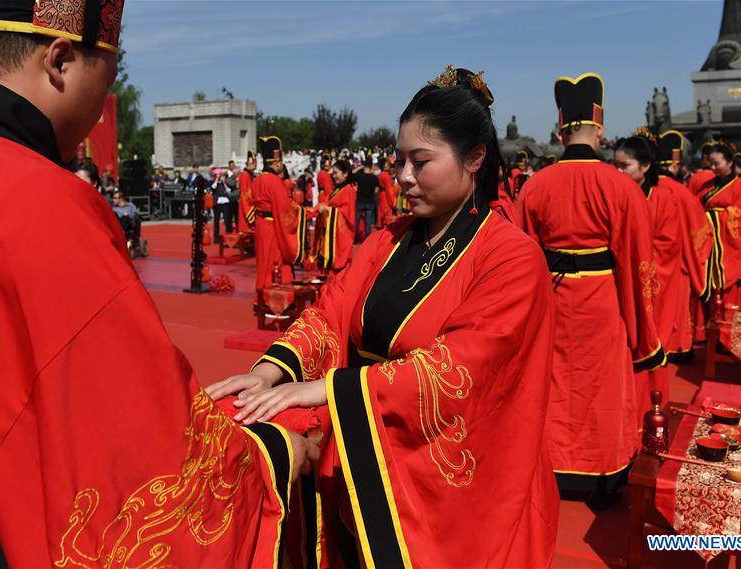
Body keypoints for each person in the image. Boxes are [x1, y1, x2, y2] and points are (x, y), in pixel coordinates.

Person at [0, 2, 315, 566]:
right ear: (60, 60)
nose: (104, 102)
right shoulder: (41, 205)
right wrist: (270, 455)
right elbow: (138, 448)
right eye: (110, 72)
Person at [207, 65, 559, 568]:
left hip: (447, 472)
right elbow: (330, 314)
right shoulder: (389, 239)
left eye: (421, 161)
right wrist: (268, 372)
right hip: (367, 434)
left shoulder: (509, 257)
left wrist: (333, 389)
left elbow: (462, 366)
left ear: (475, 157)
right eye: (399, 162)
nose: (404, 178)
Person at [515, 73, 664, 503]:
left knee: (556, 384)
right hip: (601, 301)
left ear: (561, 128)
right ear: (599, 127)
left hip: (552, 300)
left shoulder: (534, 185)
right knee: (599, 387)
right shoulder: (621, 187)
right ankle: (603, 473)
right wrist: (644, 337)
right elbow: (639, 264)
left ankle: (551, 468)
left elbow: (522, 261)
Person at [614, 130, 680, 407]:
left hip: (650, 280)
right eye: (615, 165)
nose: (618, 171)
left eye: (624, 166)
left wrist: (636, 254)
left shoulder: (662, 198)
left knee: (648, 338)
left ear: (645, 165)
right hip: (620, 279)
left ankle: (650, 413)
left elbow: (668, 245)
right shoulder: (616, 194)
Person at [655, 130, 712, 362]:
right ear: (676, 165)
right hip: (676, 260)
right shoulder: (682, 192)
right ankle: (676, 346)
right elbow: (699, 231)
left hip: (648, 259)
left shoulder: (640, 189)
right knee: (674, 307)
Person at [696, 143, 741, 306]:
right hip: (706, 242)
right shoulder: (708, 185)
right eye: (711, 163)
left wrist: (711, 217)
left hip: (727, 244)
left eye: (717, 163)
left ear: (730, 163)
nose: (713, 167)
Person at [251, 136, 307, 305]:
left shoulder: (258, 180)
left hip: (260, 225)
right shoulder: (275, 182)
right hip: (272, 227)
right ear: (276, 162)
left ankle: (259, 298)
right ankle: (273, 300)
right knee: (274, 262)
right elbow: (285, 210)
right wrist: (303, 212)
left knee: (262, 262)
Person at [315, 160, 357, 272]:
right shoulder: (338, 188)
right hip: (334, 231)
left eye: (336, 173)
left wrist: (328, 209)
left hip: (342, 232)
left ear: (345, 173)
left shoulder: (348, 190)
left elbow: (348, 213)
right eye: (332, 173)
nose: (333, 176)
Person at [352, 157, 379, 240]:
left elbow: (352, 173)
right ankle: (367, 239)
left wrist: (360, 167)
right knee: (368, 222)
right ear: (371, 165)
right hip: (369, 201)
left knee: (356, 221)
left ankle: (354, 237)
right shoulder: (374, 177)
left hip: (360, 200)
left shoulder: (360, 176)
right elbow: (376, 191)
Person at [211, 169, 234, 243]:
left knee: (227, 220)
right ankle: (216, 238)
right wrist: (217, 179)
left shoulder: (227, 183)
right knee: (216, 221)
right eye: (220, 175)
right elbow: (213, 187)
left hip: (226, 203)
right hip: (217, 203)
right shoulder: (215, 183)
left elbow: (229, 191)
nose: (221, 176)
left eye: (222, 175)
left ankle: (228, 237)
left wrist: (224, 183)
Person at [237, 151, 257, 232]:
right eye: (255, 164)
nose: (256, 166)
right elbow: (245, 195)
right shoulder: (245, 175)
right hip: (246, 205)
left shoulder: (249, 174)